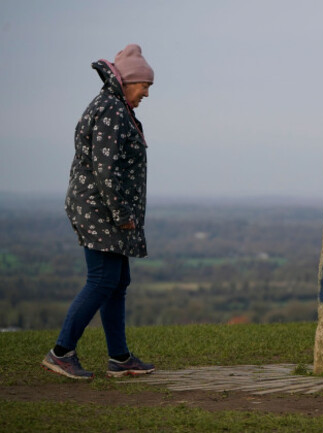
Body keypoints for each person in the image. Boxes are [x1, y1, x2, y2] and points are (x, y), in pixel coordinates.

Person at [41, 44, 156, 379]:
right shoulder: (110, 109)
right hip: (99, 208)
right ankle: (61, 352)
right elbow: (105, 169)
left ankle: (119, 359)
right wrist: (121, 214)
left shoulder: (115, 106)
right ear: (128, 81)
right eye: (144, 86)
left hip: (103, 207)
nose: (146, 93)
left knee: (117, 280)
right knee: (103, 279)